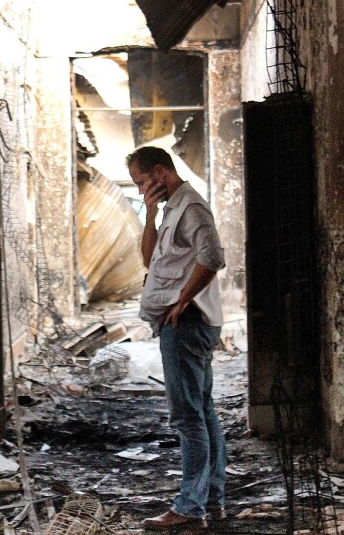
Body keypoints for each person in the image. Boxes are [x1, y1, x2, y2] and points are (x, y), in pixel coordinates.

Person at [127, 146, 227, 531]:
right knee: (201, 411)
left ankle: (190, 508)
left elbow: (213, 256)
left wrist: (183, 299)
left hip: (187, 325)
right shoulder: (171, 209)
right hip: (183, 324)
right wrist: (149, 214)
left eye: (142, 183)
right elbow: (150, 261)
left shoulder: (192, 208)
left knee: (188, 418)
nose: (139, 191)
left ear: (159, 171)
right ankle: (211, 498)